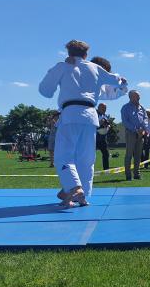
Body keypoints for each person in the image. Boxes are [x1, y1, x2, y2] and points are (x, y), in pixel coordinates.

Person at [39, 40, 126, 206]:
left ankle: (73, 188)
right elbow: (118, 82)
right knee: (85, 159)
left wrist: (58, 71)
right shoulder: (95, 69)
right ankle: (79, 194)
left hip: (71, 114)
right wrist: (123, 84)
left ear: (68, 53)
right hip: (90, 118)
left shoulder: (62, 66)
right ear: (86, 54)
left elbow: (45, 90)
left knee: (63, 156)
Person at [121, 90, 149, 181]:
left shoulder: (142, 108)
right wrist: (136, 129)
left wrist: (144, 129)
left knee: (138, 155)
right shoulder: (125, 108)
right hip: (131, 133)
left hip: (141, 134)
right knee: (129, 154)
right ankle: (128, 175)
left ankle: (137, 174)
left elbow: (145, 119)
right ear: (131, 97)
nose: (139, 98)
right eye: (137, 96)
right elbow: (125, 122)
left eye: (139, 96)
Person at [95, 103, 111, 171]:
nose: (104, 110)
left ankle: (106, 169)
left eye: (105, 108)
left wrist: (108, 126)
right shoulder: (94, 114)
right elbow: (92, 124)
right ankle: (88, 169)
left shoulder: (105, 115)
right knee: (90, 155)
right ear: (98, 107)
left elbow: (108, 124)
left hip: (103, 138)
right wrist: (99, 123)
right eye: (103, 108)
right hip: (94, 138)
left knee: (106, 154)